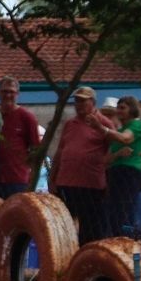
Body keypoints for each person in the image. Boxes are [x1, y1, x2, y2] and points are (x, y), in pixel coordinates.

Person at [50, 88, 117, 243]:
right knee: (64, 223)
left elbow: (113, 149)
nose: (79, 104)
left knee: (91, 228)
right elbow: (60, 150)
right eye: (77, 101)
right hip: (66, 182)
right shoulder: (70, 124)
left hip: (91, 184)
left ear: (92, 102)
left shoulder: (104, 123)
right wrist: (52, 177)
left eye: (83, 101)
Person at [104, 97, 141, 238]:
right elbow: (106, 159)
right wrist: (118, 154)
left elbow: (126, 139)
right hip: (115, 173)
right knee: (114, 213)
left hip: (129, 173)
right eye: (118, 108)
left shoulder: (137, 125)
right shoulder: (120, 130)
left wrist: (103, 129)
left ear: (132, 109)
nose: (119, 111)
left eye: (123, 108)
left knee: (125, 212)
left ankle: (130, 240)